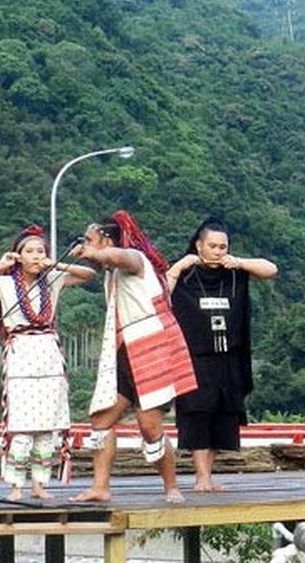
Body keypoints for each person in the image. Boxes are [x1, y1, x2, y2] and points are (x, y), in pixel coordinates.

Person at [69, 211, 197, 504]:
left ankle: (171, 487)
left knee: (149, 426)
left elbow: (118, 256)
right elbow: (104, 261)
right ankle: (100, 487)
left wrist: (94, 252)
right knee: (101, 418)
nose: (86, 244)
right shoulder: (112, 272)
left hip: (152, 347)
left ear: (107, 240)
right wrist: (90, 255)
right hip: (125, 352)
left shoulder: (136, 259)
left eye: (90, 239)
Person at [0, 225, 96, 501]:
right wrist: (1, 264)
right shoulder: (5, 283)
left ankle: (39, 484)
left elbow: (89, 275)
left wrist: (54, 265)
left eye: (41, 251)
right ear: (19, 255)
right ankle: (16, 486)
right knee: (22, 424)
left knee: (46, 426)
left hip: (48, 352)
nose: (36, 256)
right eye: (30, 251)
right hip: (21, 352)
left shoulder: (52, 279)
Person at [166, 217, 278, 492]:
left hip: (229, 355)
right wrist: (180, 266)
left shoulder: (234, 271)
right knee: (198, 412)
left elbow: (270, 269)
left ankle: (209, 475)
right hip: (195, 356)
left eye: (222, 247)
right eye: (212, 246)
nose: (217, 252)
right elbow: (161, 294)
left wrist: (238, 262)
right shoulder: (184, 273)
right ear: (199, 245)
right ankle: (201, 476)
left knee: (223, 413)